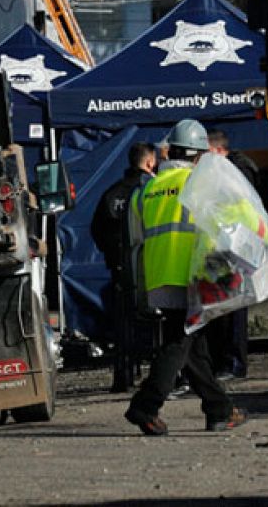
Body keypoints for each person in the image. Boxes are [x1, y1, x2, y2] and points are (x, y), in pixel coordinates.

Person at [124, 119, 247, 435]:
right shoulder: (202, 182)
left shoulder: (147, 189)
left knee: (194, 346)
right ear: (198, 155)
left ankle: (219, 409)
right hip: (193, 276)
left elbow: (137, 238)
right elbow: (234, 222)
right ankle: (145, 406)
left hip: (158, 276)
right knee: (179, 343)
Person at [91, 141, 158, 393]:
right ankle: (164, 376)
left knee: (123, 324)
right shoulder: (155, 190)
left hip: (121, 268)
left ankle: (124, 376)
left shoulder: (112, 193)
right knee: (159, 323)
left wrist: (114, 255)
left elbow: (97, 230)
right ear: (150, 163)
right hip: (153, 266)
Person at [205, 129, 253, 381]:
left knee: (234, 310)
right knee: (221, 309)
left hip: (234, 250)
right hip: (221, 248)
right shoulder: (224, 173)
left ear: (220, 151)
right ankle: (224, 362)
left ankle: (234, 363)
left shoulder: (236, 175)